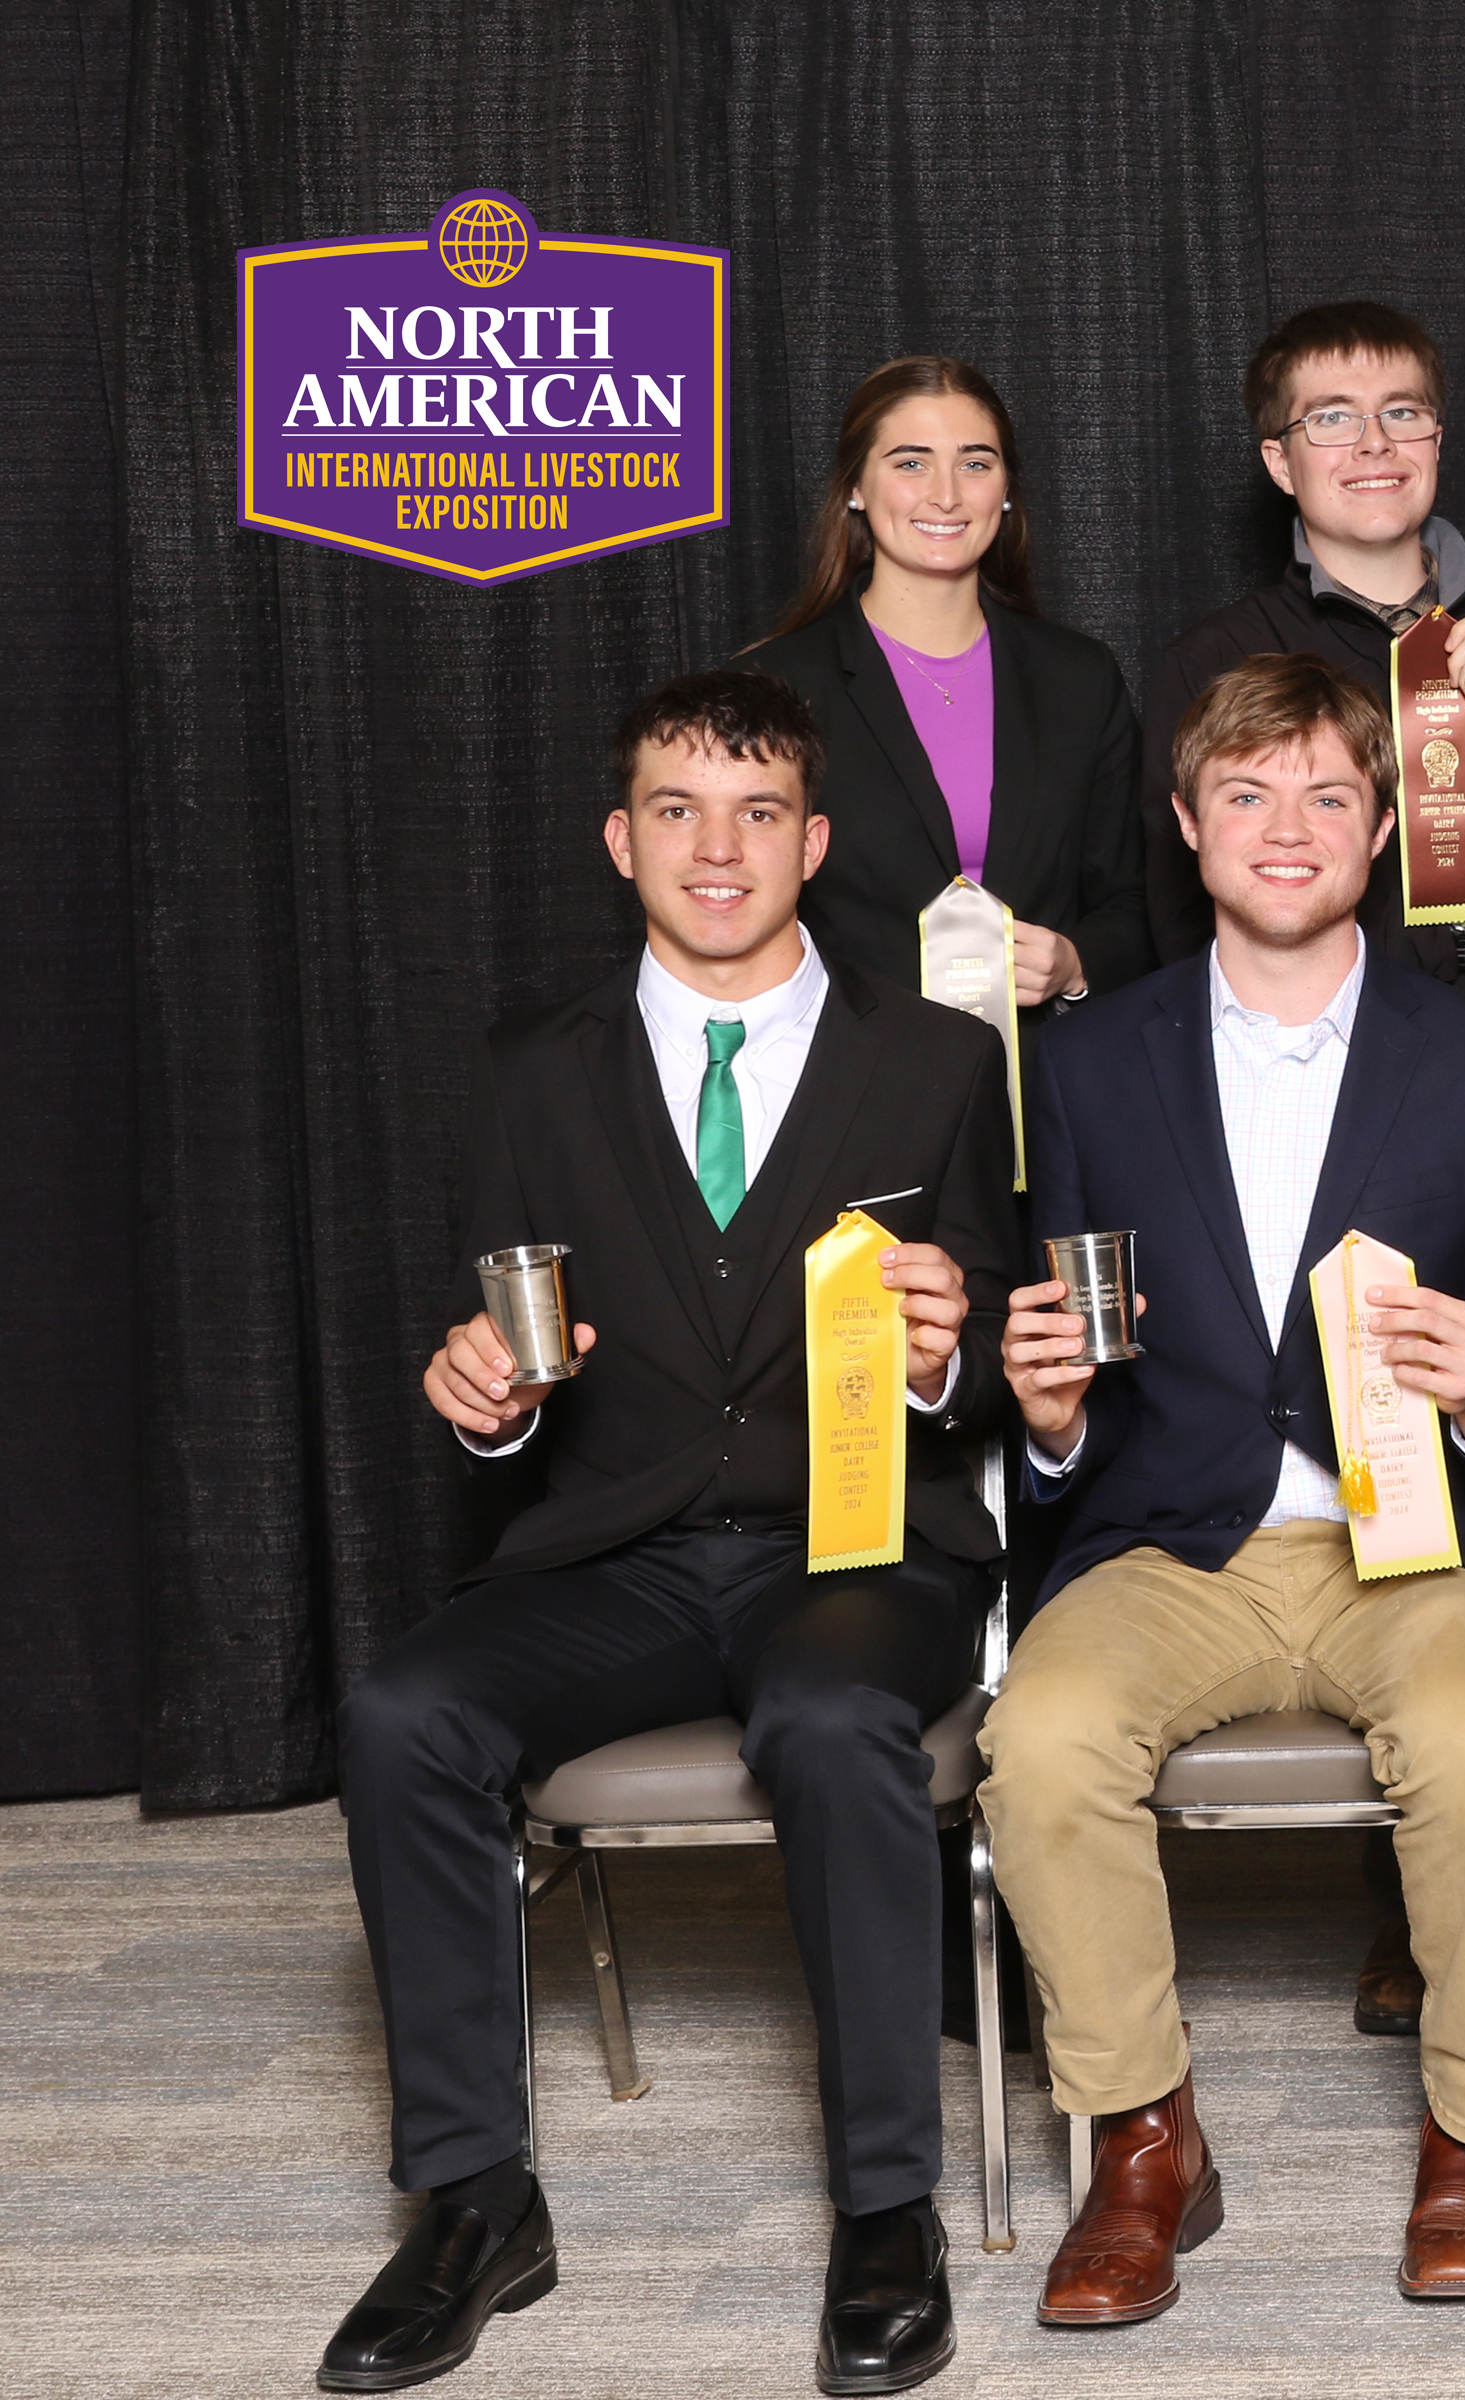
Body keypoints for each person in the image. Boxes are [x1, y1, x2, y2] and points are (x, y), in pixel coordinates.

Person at [322, 669, 1017, 2398]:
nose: (722, 850)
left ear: (817, 843)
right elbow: (517, 1340)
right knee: (406, 1713)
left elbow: (1002, 1354)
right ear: (622, 839)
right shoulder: (530, 1073)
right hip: (618, 1551)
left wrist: (950, 1357)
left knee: (836, 1718)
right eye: (683, 813)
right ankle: (475, 2199)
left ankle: (885, 2209)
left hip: (859, 1554)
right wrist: (490, 1389)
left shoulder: (934, 1063)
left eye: (761, 813)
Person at [972, 654, 1465, 2318]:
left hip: (1425, 1544)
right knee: (1040, 1739)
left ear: (1382, 828)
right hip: (1181, 1538)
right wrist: (1049, 1417)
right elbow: (1068, 1391)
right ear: (1186, 825)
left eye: (1325, 793)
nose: (1285, 827)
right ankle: (1143, 2137)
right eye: (1245, 794)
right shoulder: (1090, 1068)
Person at [1137, 302, 1465, 1072]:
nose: (1375, 443)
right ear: (1279, 462)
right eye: (1331, 419)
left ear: (1436, 440)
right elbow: (1189, 940)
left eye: (1402, 412)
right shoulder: (1217, 662)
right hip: (1322, 1084)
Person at [743, 354, 1152, 1031]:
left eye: (975, 462)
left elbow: (1137, 900)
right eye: (910, 463)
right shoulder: (774, 688)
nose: (946, 494)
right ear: (855, 489)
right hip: (853, 1084)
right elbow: (740, 908)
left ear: (1007, 488)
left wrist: (1078, 963)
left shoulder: (1080, 678)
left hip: (1047, 1082)